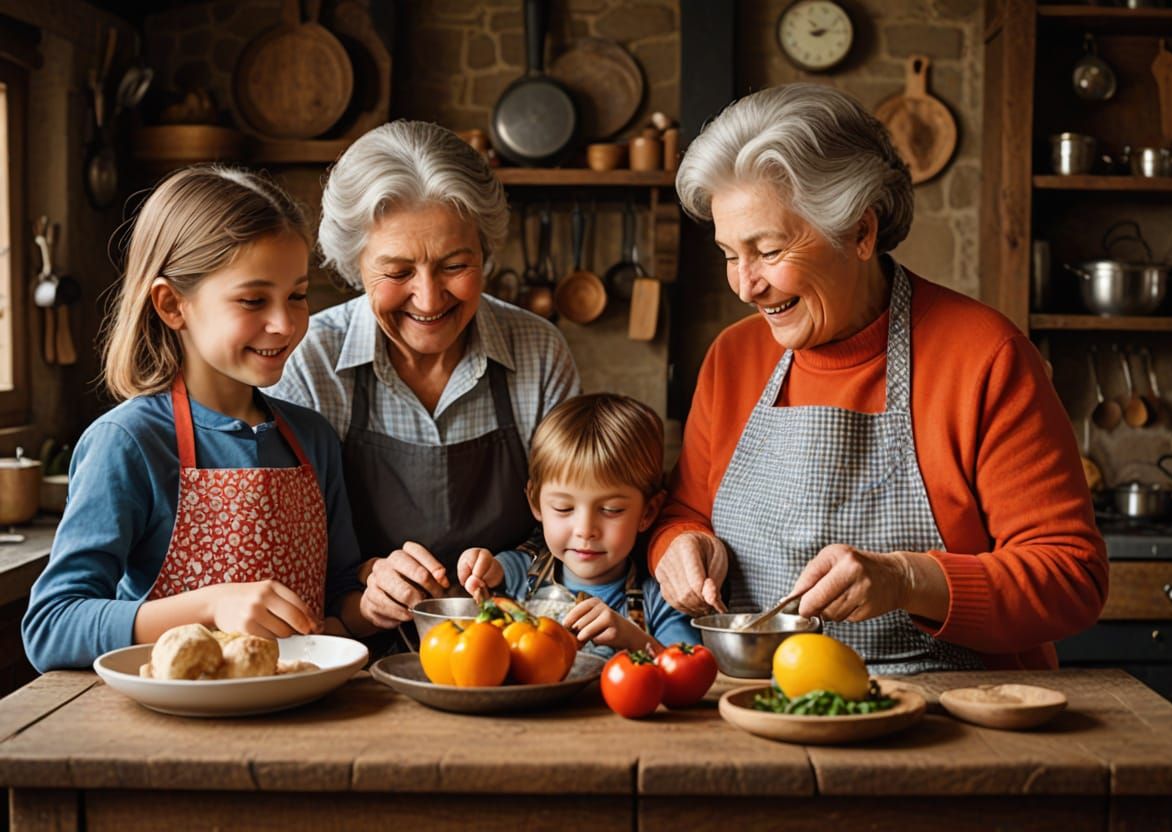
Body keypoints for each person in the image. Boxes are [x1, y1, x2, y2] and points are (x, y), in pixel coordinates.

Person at [649, 83, 1108, 674]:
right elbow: (685, 512)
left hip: (951, 716)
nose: (745, 285)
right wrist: (681, 548)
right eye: (730, 254)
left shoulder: (984, 357)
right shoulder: (733, 358)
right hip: (758, 708)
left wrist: (906, 580)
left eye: (767, 249)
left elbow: (1072, 577)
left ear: (861, 233)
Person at [22, 167, 374, 672]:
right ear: (172, 305)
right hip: (174, 734)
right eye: (253, 300)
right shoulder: (129, 443)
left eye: (297, 295)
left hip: (302, 717)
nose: (285, 322)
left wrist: (374, 603)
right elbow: (51, 626)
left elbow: (337, 595)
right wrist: (208, 607)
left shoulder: (311, 438)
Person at [264, 121, 579, 631]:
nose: (429, 300)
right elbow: (285, 550)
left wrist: (510, 568)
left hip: (508, 644)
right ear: (354, 264)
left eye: (455, 264)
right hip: (352, 653)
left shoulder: (539, 351)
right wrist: (364, 580)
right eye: (397, 272)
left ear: (485, 251)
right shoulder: (310, 360)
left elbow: (577, 532)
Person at [456, 394, 698, 655]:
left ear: (647, 512)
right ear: (536, 503)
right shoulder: (514, 574)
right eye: (564, 508)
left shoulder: (662, 600)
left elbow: (688, 670)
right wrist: (476, 567)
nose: (585, 530)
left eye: (611, 510)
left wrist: (633, 640)